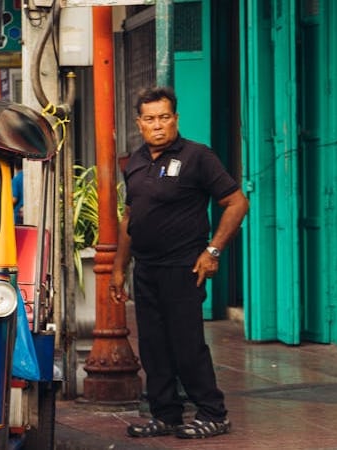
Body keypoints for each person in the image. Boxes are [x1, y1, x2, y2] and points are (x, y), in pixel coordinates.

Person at [109, 87, 249, 440]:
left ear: (176, 119)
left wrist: (212, 251)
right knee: (153, 347)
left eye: (164, 117)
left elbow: (237, 203)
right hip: (147, 268)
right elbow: (129, 217)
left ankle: (213, 413)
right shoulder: (135, 162)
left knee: (186, 344)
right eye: (150, 119)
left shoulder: (197, 156)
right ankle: (166, 414)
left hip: (184, 267)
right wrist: (118, 268)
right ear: (139, 123)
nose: (158, 125)